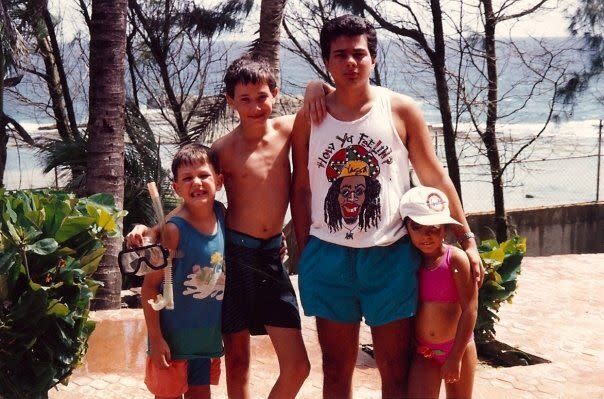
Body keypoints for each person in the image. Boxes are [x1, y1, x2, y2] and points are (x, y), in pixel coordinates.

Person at [290, 14, 483, 398]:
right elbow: (301, 189)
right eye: (339, 54)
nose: (350, 63)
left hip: (389, 256)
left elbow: (435, 177)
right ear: (326, 61)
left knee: (395, 370)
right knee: (335, 371)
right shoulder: (309, 117)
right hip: (328, 257)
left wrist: (467, 237)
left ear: (373, 59)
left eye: (359, 54)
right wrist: (307, 248)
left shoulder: (401, 109)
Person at [129, 54, 314, 399]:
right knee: (238, 360)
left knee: (298, 366)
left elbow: (325, 99)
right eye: (244, 99)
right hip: (236, 255)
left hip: (273, 256)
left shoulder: (290, 129)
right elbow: (194, 202)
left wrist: (316, 85)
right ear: (231, 102)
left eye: (262, 96)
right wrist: (151, 230)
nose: (256, 105)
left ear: (274, 93)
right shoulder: (221, 149)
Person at [140, 143, 224, 399]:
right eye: (187, 178)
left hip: (205, 340)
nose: (196, 182)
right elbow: (149, 288)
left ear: (219, 181)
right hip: (172, 344)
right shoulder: (172, 232)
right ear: (176, 188)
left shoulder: (222, 215)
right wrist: (156, 339)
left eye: (204, 175)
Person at [400, 186, 478, 399]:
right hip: (425, 352)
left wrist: (455, 357)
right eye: (417, 228)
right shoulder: (410, 263)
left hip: (458, 348)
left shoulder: (456, 260)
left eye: (433, 229)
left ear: (445, 229)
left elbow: (470, 309)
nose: (425, 236)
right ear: (407, 228)